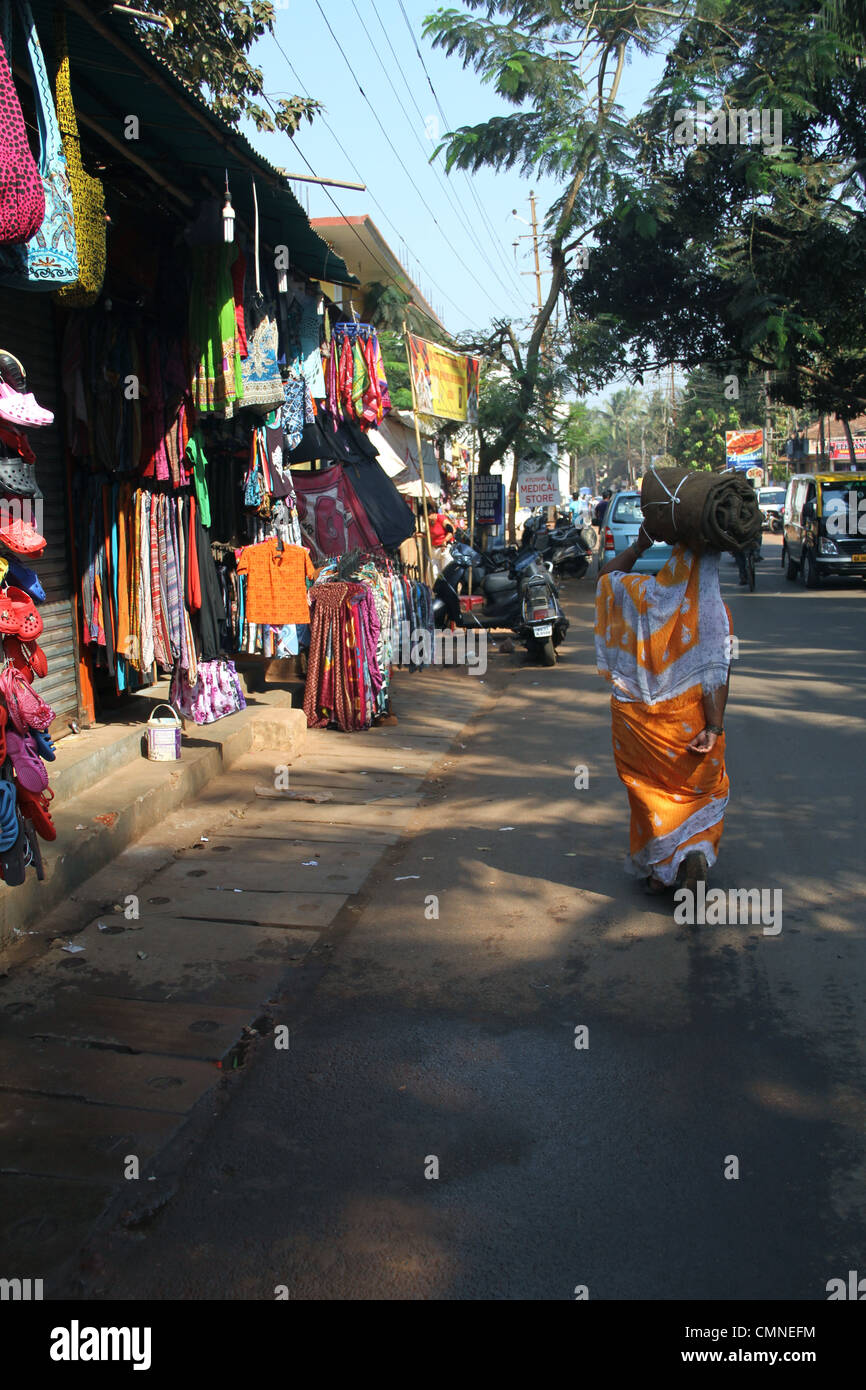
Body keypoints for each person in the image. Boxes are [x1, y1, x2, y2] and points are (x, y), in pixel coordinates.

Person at [595, 526, 732, 895]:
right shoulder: (716, 613)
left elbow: (606, 577)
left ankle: (661, 870)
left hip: (635, 723)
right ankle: (693, 850)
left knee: (649, 792)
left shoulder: (639, 596)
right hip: (687, 724)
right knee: (702, 792)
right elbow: (716, 675)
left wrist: (640, 544)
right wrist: (714, 727)